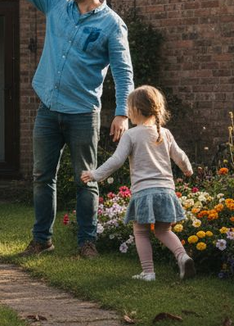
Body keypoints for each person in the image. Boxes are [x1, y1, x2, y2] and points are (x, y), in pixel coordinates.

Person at [0, 0, 133, 259]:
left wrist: (122, 112)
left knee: (86, 179)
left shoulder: (112, 25)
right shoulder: (57, 5)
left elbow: (124, 72)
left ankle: (87, 242)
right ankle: (42, 239)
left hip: (83, 113)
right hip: (48, 109)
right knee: (42, 177)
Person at [81, 85, 195, 280]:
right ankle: (182, 256)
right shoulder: (164, 133)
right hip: (166, 191)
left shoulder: (131, 135)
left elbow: (116, 160)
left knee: (141, 232)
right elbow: (180, 156)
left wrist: (95, 174)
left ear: (135, 110)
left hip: (144, 191)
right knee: (163, 230)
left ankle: (148, 272)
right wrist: (187, 170)